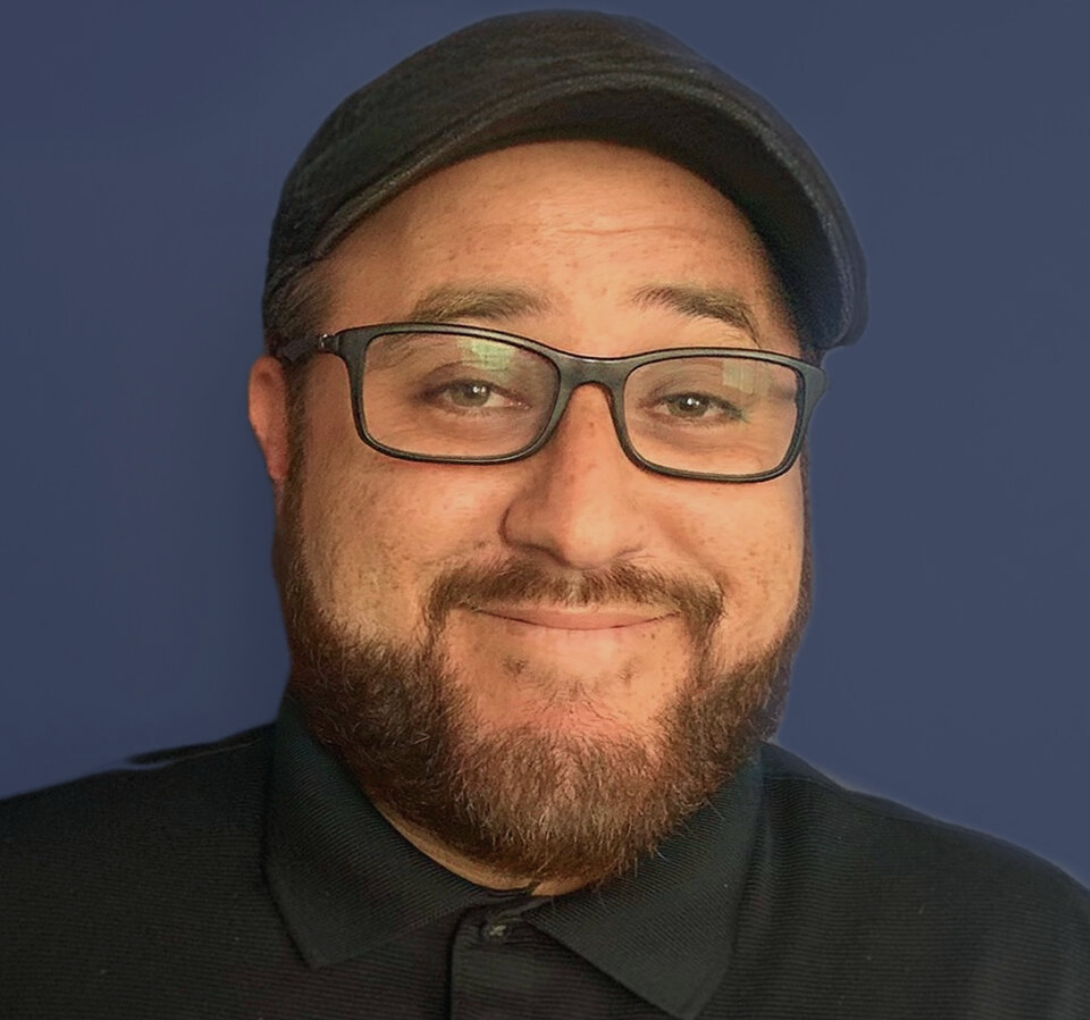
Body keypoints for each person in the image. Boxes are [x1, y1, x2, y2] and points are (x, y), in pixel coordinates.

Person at [1, 10, 1087, 1018]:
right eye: (468, 388)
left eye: (696, 398)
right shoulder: (29, 935)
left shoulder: (1031, 972)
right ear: (284, 433)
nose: (580, 524)